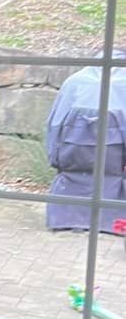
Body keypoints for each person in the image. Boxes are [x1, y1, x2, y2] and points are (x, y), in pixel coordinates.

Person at [45, 60, 126, 230]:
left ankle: (66, 220)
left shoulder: (74, 81)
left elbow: (55, 122)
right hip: (113, 153)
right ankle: (110, 223)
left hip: (74, 148)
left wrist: (54, 155)